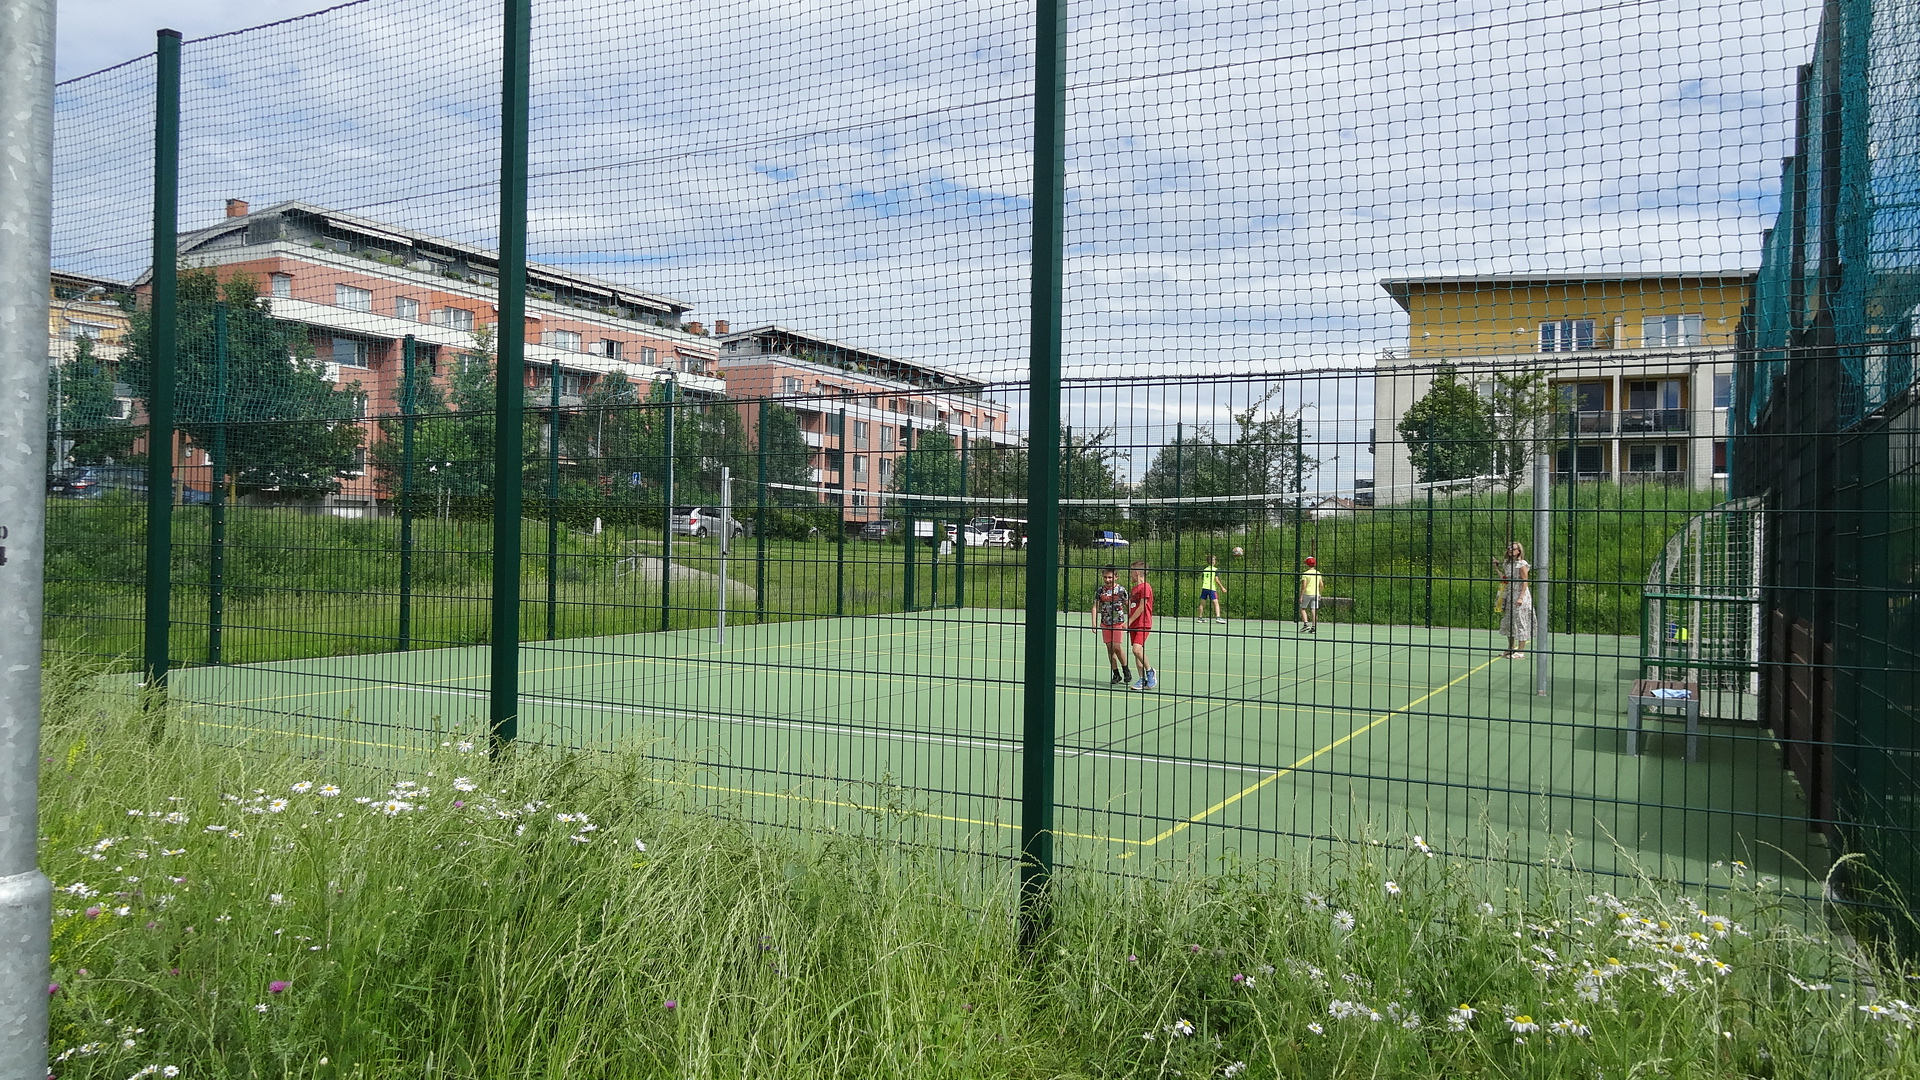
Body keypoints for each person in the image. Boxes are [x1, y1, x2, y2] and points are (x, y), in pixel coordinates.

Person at [1091, 565, 1132, 687]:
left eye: (1110, 577)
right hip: (1105, 623)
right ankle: (1116, 673)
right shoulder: (1100, 591)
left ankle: (1126, 670)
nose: (1107, 580)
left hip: (1118, 622)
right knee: (1109, 649)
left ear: (1116, 577)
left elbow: (1129, 605)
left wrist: (1129, 621)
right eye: (1105, 577)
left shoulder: (1121, 590)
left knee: (1117, 647)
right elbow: (1095, 607)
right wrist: (1094, 623)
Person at [1494, 540, 1534, 659]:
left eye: (1513, 548)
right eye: (1509, 548)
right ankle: (1511, 648)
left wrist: (1521, 597)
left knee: (1520, 621)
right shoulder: (1507, 563)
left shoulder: (1522, 564)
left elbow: (1525, 581)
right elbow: (1505, 578)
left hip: (1520, 595)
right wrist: (1496, 569)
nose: (1510, 550)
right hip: (1510, 595)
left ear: (1519, 551)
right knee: (1509, 621)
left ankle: (1520, 651)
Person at [1127, 560, 1158, 690]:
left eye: (1131, 572)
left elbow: (1141, 608)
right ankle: (1142, 679)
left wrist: (1128, 622)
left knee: (1136, 649)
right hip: (1133, 624)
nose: (1130, 575)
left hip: (1143, 624)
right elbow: (1132, 606)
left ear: (1136, 572)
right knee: (1137, 652)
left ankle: (1150, 671)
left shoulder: (1146, 587)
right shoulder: (1134, 589)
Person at [1196, 554, 1227, 623]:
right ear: (1213, 562)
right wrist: (1222, 587)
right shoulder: (1215, 570)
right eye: (1214, 560)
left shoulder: (1205, 569)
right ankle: (1218, 617)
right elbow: (1216, 580)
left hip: (1204, 587)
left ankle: (1200, 618)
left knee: (1202, 603)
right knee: (1215, 602)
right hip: (1211, 588)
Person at [1297, 556, 1324, 633]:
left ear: (1307, 564)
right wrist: (1320, 594)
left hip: (1307, 593)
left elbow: (1304, 586)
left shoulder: (1305, 574)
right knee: (1314, 610)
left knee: (1302, 608)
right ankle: (1314, 627)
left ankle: (1306, 624)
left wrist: (1301, 596)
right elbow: (1321, 585)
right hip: (1316, 594)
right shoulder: (1318, 573)